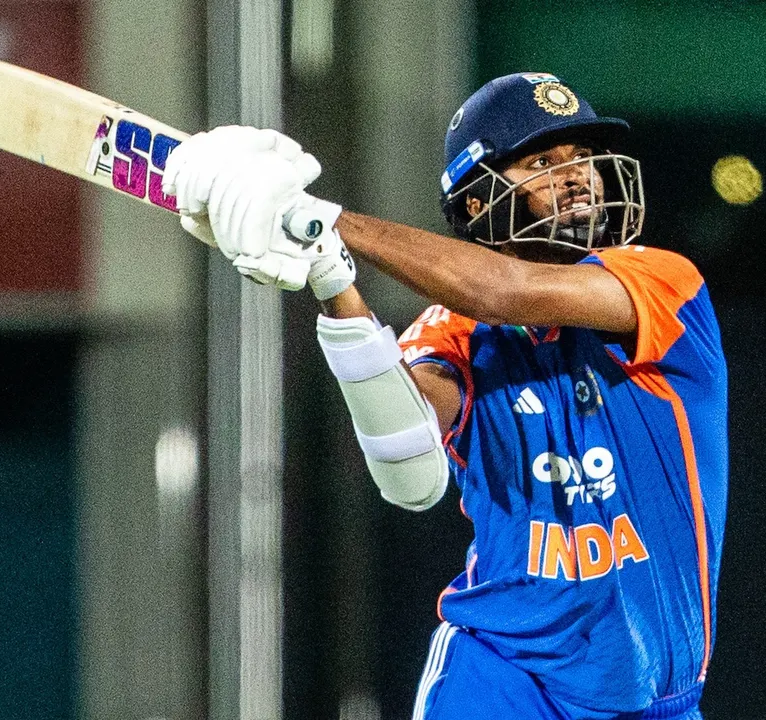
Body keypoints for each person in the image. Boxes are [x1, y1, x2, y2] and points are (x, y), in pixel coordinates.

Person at [163, 72, 728, 720]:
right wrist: (326, 270)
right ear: (481, 204)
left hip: (657, 702)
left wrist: (324, 219)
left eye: (582, 159)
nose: (576, 177)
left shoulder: (666, 285)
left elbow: (506, 289)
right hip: (503, 679)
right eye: (543, 162)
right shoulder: (452, 333)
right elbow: (407, 463)